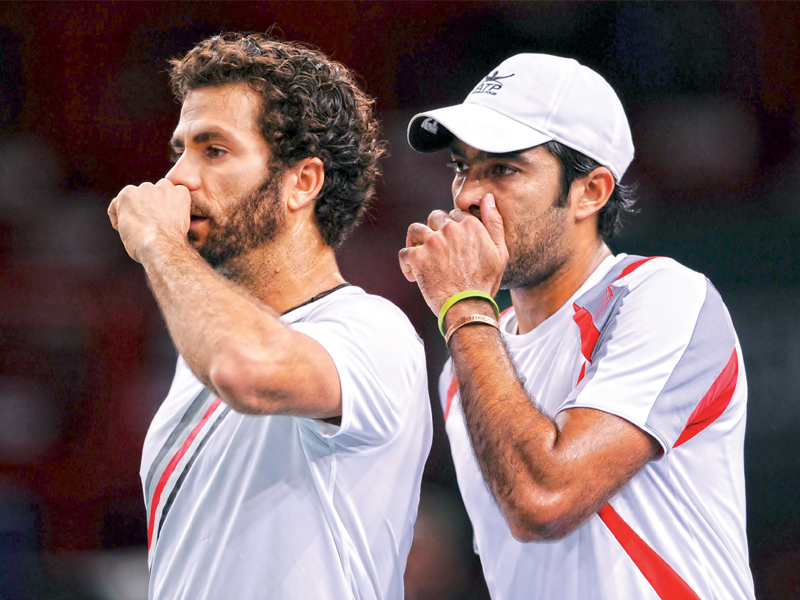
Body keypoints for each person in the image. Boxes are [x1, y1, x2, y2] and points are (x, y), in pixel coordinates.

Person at [400, 53, 755, 600]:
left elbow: (544, 500)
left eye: (503, 169)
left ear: (591, 191)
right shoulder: (463, 366)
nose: (468, 194)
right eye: (461, 167)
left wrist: (465, 309)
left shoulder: (662, 295)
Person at [107, 33, 432, 599]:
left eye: (214, 150)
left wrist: (161, 245)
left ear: (302, 182)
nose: (178, 178)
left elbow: (246, 369)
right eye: (179, 151)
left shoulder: (373, 332)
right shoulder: (205, 340)